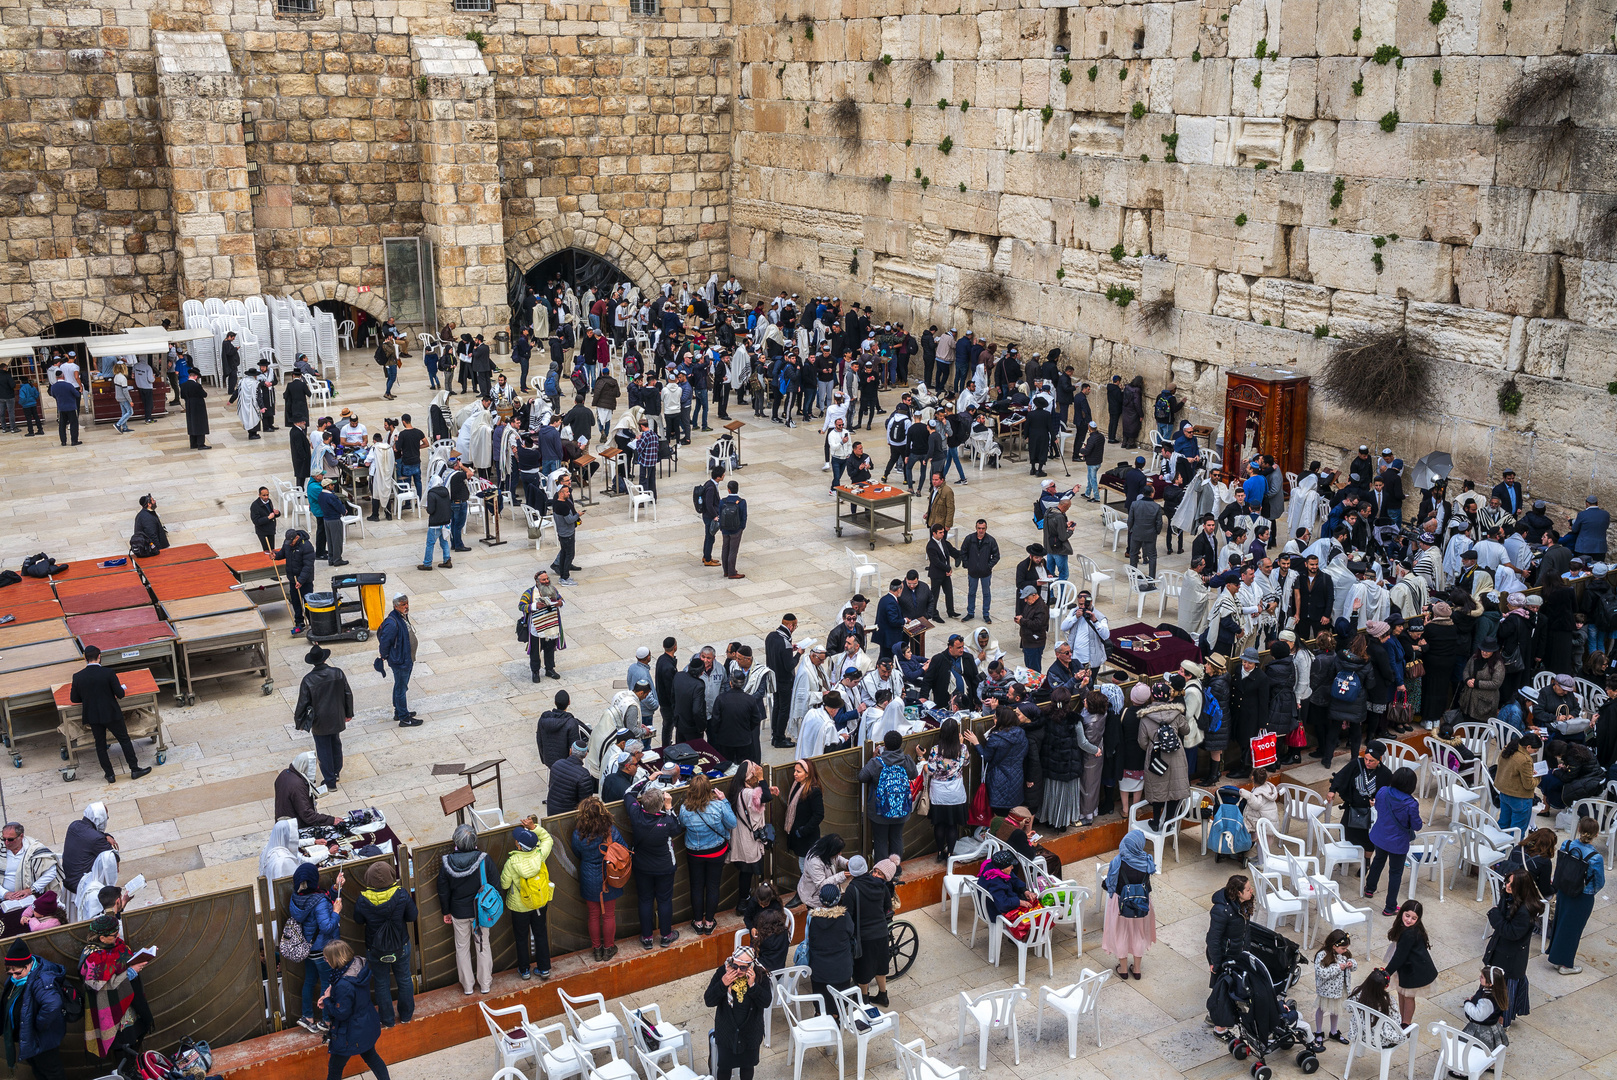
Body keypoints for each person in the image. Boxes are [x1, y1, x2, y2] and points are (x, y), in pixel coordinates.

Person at [70, 647, 150, 785]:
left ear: (85, 658)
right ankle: (134, 769)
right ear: (99, 657)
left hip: (93, 716)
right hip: (111, 713)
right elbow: (120, 694)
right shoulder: (108, 673)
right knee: (124, 740)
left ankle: (110, 775)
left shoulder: (78, 677)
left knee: (100, 745)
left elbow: (74, 698)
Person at [79, 912, 150, 1060]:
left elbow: (122, 960)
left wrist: (137, 958)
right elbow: (98, 986)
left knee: (134, 1036)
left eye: (117, 933)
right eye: (113, 935)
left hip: (130, 1004)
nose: (117, 937)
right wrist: (129, 973)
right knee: (121, 1044)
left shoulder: (117, 945)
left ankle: (134, 1069)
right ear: (102, 938)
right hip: (111, 1009)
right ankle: (124, 1072)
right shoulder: (93, 958)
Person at [317, 941, 391, 1080]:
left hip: (350, 1032)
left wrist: (327, 1001)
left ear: (335, 959)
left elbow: (341, 1013)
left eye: (326, 958)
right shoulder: (358, 966)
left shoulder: (343, 984)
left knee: (335, 1068)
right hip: (365, 1024)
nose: (325, 961)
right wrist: (331, 994)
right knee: (372, 1057)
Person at [354, 861, 416, 1026]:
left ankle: (387, 1020)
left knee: (381, 983)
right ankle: (406, 1015)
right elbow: (412, 916)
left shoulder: (363, 899)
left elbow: (358, 920)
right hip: (400, 945)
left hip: (375, 949)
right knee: (404, 979)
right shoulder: (401, 894)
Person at [1545, 816, 1607, 975]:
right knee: (1573, 930)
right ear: (1596, 835)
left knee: (1561, 923)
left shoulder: (1567, 845)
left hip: (1564, 891)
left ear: (1579, 829)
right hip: (1582, 896)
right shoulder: (1595, 858)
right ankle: (1566, 965)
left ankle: (1557, 958)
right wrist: (1588, 892)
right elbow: (1599, 882)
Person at [437, 824, 493, 995]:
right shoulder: (484, 859)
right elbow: (495, 884)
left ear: (456, 842)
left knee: (462, 948)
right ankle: (485, 985)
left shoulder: (446, 863)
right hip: (480, 912)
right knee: (482, 946)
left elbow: (443, 890)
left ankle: (468, 987)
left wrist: (446, 911)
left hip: (458, 912)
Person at [679, 774, 737, 936]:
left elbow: (682, 824)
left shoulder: (685, 809)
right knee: (713, 886)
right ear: (709, 789)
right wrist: (724, 800)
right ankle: (709, 922)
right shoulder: (718, 806)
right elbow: (732, 823)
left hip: (694, 854)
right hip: (716, 851)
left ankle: (698, 922)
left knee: (696, 887)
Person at [1, 938, 66, 1080]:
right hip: (29, 1038)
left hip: (41, 1040)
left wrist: (38, 1026)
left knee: (51, 1073)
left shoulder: (41, 981)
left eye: (17, 973)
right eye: (10, 973)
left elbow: (53, 1004)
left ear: (28, 965)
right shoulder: (19, 978)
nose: (14, 977)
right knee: (38, 1071)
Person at [570, 796, 626, 961]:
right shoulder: (611, 831)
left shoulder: (578, 834)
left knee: (593, 914)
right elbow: (623, 849)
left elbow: (577, 853)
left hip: (588, 876)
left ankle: (597, 949)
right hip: (609, 877)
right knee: (609, 915)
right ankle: (609, 948)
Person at [287, 862, 341, 1032]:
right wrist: (336, 912)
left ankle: (307, 1016)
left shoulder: (296, 898)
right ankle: (326, 1021)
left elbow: (318, 902)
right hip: (323, 950)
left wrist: (335, 888)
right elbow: (326, 926)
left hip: (308, 949)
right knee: (327, 982)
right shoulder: (320, 901)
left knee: (309, 981)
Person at [705, 946, 771, 1080]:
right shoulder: (722, 973)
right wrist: (723, 984)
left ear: (751, 965)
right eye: (735, 966)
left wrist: (753, 986)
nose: (738, 971)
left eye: (743, 968)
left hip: (750, 1033)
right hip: (727, 1033)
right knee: (724, 1068)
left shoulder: (760, 976)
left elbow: (766, 1002)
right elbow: (709, 1000)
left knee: (747, 1067)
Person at [293, 644, 352, 790]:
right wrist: (348, 713)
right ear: (325, 659)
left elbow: (302, 703)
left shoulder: (308, 680)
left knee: (324, 749)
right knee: (336, 743)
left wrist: (299, 722)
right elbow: (348, 694)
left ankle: (330, 781)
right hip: (337, 716)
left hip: (319, 721)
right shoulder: (337, 673)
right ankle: (336, 772)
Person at [1363, 767, 1422, 913]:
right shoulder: (1411, 803)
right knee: (1395, 873)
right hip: (1397, 843)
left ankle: (1369, 888)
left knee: (1378, 861)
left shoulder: (1383, 791)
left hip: (1380, 836)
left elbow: (1377, 806)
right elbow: (1417, 825)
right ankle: (1390, 907)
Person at [500, 825, 554, 980]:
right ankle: (544, 969)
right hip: (539, 903)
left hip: (519, 908)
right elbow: (548, 839)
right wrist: (534, 827)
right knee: (540, 934)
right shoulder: (540, 855)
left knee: (522, 938)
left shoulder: (512, 862)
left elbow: (504, 884)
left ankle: (524, 970)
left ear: (519, 846)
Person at [857, 729, 918, 865]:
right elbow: (914, 774)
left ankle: (883, 873)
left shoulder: (877, 762)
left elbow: (862, 777)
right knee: (897, 838)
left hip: (880, 810)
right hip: (901, 808)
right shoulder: (906, 760)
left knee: (880, 840)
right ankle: (896, 869)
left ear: (885, 744)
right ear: (900, 744)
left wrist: (872, 758)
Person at [1103, 831, 1157, 980]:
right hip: (1142, 904)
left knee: (1121, 935)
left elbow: (1110, 884)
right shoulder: (1146, 861)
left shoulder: (1118, 861)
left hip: (1121, 905)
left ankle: (1124, 969)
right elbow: (1148, 885)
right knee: (1139, 934)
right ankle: (1137, 969)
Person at [1205, 874, 1254, 1038]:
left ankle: (1213, 1015)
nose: (1251, 891)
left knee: (1222, 988)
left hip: (1237, 954)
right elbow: (1213, 939)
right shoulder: (1221, 910)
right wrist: (1216, 963)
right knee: (1225, 989)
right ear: (1238, 892)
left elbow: (1245, 930)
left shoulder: (1244, 904)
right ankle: (1219, 1027)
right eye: (1247, 889)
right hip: (1224, 956)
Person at [1137, 683, 1191, 827]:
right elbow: (1186, 730)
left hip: (1156, 756)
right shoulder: (1177, 713)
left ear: (1153, 696)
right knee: (1175, 787)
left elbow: (1142, 742)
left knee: (1157, 788)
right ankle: (1168, 820)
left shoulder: (1145, 717)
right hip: (1176, 754)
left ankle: (1155, 821)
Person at [844, 855, 895, 1004]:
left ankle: (864, 999)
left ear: (851, 872)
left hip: (863, 937)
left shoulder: (852, 889)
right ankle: (883, 995)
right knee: (880, 965)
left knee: (863, 968)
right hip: (881, 932)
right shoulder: (881, 885)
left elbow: (848, 915)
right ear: (867, 868)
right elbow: (887, 906)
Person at [1327, 740, 1392, 853]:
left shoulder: (1385, 774)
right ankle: (1346, 857)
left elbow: (1388, 793)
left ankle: (1365, 864)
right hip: (1352, 807)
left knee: (1367, 838)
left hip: (1369, 811)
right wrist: (1332, 790)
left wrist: (1378, 801)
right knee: (1345, 832)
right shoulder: (1356, 764)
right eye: (1366, 759)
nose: (1367, 762)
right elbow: (1341, 775)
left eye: (1371, 761)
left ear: (1378, 760)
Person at [727, 762, 776, 904]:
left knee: (745, 872)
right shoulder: (749, 793)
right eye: (754, 774)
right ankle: (745, 901)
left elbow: (763, 796)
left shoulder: (739, 790)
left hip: (740, 836)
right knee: (747, 872)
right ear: (749, 777)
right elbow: (765, 797)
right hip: (748, 840)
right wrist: (762, 779)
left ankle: (745, 899)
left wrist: (767, 790)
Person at [805, 882, 857, 1014]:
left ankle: (819, 1015)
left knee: (821, 1000)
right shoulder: (845, 918)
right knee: (839, 1001)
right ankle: (836, 1017)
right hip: (841, 969)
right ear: (838, 899)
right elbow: (851, 933)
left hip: (819, 969)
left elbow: (809, 938)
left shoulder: (812, 918)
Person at [1381, 899, 1436, 1024]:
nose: (1409, 920)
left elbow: (1399, 956)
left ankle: (1406, 1024)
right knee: (1401, 993)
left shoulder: (1410, 934)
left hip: (1414, 970)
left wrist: (1386, 973)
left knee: (1408, 996)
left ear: (1418, 919)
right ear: (1402, 913)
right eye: (1407, 916)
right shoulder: (1405, 928)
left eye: (1414, 918)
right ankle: (1402, 1020)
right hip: (1406, 967)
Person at [923, 718, 970, 861]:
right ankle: (950, 853)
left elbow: (929, 770)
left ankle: (939, 852)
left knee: (939, 824)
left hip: (939, 793)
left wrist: (921, 760)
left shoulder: (936, 750)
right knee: (952, 825)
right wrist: (961, 744)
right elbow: (966, 762)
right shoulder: (962, 749)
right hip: (956, 793)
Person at [1310, 929, 1358, 1050]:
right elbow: (1321, 973)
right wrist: (1338, 968)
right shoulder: (1322, 955)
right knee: (1321, 1009)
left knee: (1335, 1011)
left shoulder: (1344, 954)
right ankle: (1319, 1032)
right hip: (1326, 990)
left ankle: (1333, 1031)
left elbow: (1353, 964)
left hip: (1340, 989)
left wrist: (1352, 963)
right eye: (1343, 948)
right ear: (1334, 946)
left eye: (1346, 948)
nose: (1345, 950)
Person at [377, 595, 421, 727]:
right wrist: (384, 655)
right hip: (401, 660)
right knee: (401, 689)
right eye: (403, 605)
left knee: (400, 686)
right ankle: (404, 718)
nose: (406, 606)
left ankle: (399, 711)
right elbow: (385, 641)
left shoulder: (402, 616)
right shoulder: (392, 622)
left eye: (407, 603)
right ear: (396, 606)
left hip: (406, 658)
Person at [61, 803, 115, 898]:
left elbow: (90, 836)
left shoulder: (74, 825)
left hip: (67, 883)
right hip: (81, 889)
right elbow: (111, 855)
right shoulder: (97, 839)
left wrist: (105, 835)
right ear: (101, 819)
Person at [519, 571, 564, 682]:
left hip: (551, 626)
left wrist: (560, 603)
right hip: (536, 628)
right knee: (535, 651)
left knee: (550, 650)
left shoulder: (553, 589)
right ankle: (535, 672)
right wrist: (535, 606)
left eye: (547, 579)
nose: (546, 581)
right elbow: (521, 606)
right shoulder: (529, 593)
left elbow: (561, 600)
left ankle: (550, 669)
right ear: (537, 581)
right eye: (543, 580)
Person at [1493, 732, 1540, 836]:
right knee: (1517, 831)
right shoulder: (1525, 759)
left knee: (1503, 824)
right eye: (1535, 750)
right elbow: (1529, 785)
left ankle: (1500, 848)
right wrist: (1538, 777)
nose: (1534, 753)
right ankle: (1513, 851)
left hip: (1504, 793)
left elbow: (1512, 769)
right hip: (1520, 798)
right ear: (1528, 747)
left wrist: (1527, 772)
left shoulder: (1508, 748)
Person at [782, 759, 824, 869]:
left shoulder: (814, 791)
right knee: (802, 864)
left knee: (806, 866)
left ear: (807, 773)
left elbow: (819, 814)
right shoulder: (796, 785)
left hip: (807, 837)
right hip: (798, 836)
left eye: (798, 771)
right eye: (795, 771)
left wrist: (803, 831)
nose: (794, 774)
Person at [961, 518, 1000, 623]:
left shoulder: (990, 540)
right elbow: (963, 552)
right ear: (976, 528)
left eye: (983, 528)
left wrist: (988, 566)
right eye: (979, 528)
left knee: (986, 593)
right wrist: (968, 564)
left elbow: (996, 556)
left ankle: (986, 614)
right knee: (971, 593)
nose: (981, 530)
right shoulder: (969, 539)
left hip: (985, 573)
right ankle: (970, 613)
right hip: (973, 572)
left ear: (986, 528)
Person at [798, 834, 850, 909]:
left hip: (828, 896)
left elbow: (836, 858)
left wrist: (847, 863)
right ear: (831, 850)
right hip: (814, 898)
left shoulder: (826, 850)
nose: (840, 854)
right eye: (838, 851)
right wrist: (842, 876)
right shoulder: (814, 862)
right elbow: (821, 885)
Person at [718, 479, 748, 579]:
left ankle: (726, 571)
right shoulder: (742, 502)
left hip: (725, 530)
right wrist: (741, 528)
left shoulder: (722, 501)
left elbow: (720, 515)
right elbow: (744, 516)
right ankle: (732, 572)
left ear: (728, 490)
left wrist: (721, 527)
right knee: (733, 551)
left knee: (725, 549)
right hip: (736, 530)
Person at [179, 370, 210, 450]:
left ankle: (193, 443)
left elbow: (182, 396)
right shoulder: (197, 386)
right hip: (198, 405)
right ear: (196, 376)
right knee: (200, 423)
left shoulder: (183, 385)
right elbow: (204, 394)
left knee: (191, 423)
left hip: (189, 405)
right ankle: (200, 444)